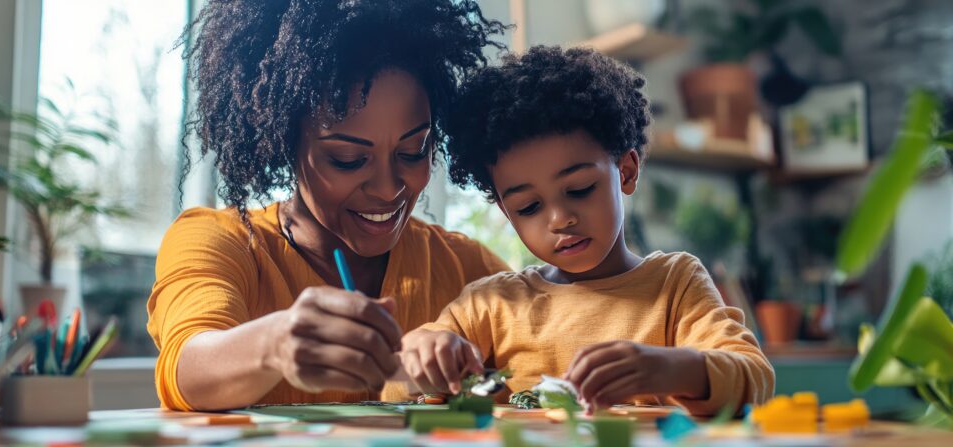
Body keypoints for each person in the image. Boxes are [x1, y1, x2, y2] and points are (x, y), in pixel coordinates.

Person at [147, 0, 508, 411]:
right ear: (286, 141)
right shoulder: (221, 242)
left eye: (413, 151)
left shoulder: (464, 268)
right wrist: (275, 345)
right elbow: (186, 368)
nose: (388, 189)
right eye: (348, 159)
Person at [397, 46, 774, 415]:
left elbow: (753, 377)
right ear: (506, 212)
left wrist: (670, 368)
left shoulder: (675, 285)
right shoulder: (491, 305)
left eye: (579, 190)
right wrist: (425, 355)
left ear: (625, 171)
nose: (559, 219)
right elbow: (398, 386)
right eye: (528, 207)